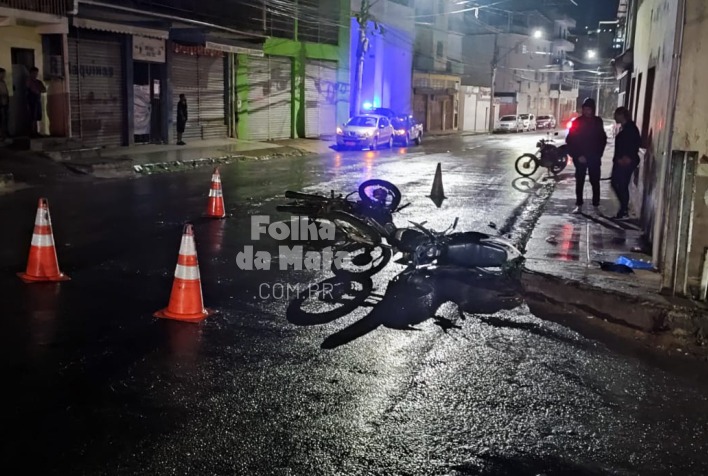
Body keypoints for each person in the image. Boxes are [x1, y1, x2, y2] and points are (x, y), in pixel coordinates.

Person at [565, 97, 608, 214]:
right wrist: (578, 155)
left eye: (589, 109)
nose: (587, 111)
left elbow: (602, 139)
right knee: (580, 181)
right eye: (585, 109)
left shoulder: (598, 121)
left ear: (593, 110)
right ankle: (579, 204)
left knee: (595, 181)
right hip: (580, 158)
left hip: (594, 156)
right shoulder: (577, 122)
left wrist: (598, 154)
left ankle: (596, 205)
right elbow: (570, 140)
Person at [611, 107, 641, 220]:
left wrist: (627, 157)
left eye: (616, 115)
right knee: (617, 184)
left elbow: (634, 144)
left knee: (621, 185)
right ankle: (623, 208)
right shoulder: (625, 128)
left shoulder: (631, 129)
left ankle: (623, 210)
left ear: (622, 115)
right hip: (620, 161)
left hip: (626, 162)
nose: (614, 117)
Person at [26, 67, 46, 137]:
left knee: (37, 117)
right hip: (31, 100)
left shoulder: (38, 82)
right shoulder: (28, 81)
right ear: (30, 73)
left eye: (36, 73)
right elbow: (28, 89)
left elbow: (44, 89)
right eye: (34, 73)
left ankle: (36, 131)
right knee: (32, 117)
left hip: (37, 100)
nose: (35, 75)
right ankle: (32, 132)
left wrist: (38, 89)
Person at [0, 68, 8, 141]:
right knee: (2, 119)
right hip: (1, 104)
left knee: (4, 119)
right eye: (2, 74)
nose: (3, 75)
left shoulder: (3, 82)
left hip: (4, 103)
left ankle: (3, 135)